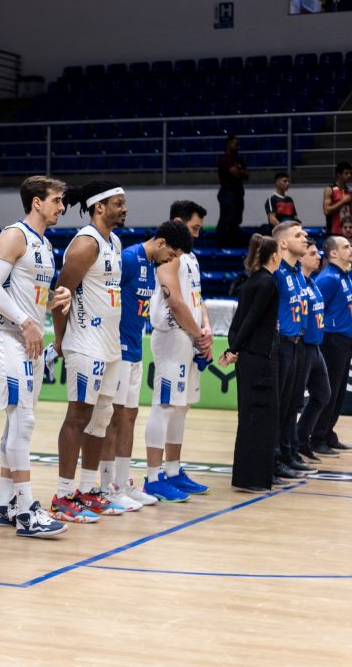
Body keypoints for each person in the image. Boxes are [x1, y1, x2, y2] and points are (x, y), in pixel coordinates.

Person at [0, 176, 72, 537]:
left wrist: (52, 301)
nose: (61, 207)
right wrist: (26, 322)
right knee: (23, 422)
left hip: (28, 340)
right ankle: (27, 510)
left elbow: (24, 297)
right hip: (8, 338)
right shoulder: (14, 236)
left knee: (16, 425)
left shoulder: (44, 244)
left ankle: (3, 503)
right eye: (57, 200)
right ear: (37, 202)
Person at [99, 220, 192, 509]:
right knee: (113, 418)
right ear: (161, 243)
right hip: (117, 349)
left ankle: (122, 481)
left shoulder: (151, 266)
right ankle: (106, 486)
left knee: (129, 416)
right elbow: (104, 296)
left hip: (135, 348)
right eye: (172, 254)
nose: (171, 261)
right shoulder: (128, 258)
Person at [50, 181, 128, 524]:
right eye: (118, 203)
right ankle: (63, 496)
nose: (125, 209)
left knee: (102, 417)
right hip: (85, 343)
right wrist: (60, 339)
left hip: (109, 344)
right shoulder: (85, 243)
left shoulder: (114, 242)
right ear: (100, 207)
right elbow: (60, 295)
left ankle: (86, 490)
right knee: (79, 415)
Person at [143, 201, 213, 501]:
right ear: (178, 222)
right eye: (194, 227)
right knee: (165, 405)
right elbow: (175, 301)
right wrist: (197, 334)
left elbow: (196, 297)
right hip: (172, 335)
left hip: (189, 336)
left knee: (181, 407)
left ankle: (173, 471)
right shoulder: (169, 256)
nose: (196, 234)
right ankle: (152, 477)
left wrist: (206, 328)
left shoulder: (189, 255)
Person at [221, 236, 281, 492]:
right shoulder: (267, 283)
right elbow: (250, 321)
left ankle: (246, 476)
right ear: (274, 256)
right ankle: (254, 478)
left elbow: (237, 324)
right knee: (261, 419)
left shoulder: (250, 282)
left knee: (249, 417)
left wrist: (234, 347)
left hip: (248, 359)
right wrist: (232, 349)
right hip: (260, 360)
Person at [270, 221, 317, 481]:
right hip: (283, 344)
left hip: (299, 343)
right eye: (298, 235)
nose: (305, 238)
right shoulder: (276, 272)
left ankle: (288, 454)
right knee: (279, 407)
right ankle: (275, 459)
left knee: (291, 406)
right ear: (283, 243)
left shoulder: (298, 272)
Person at [310, 235, 352, 454]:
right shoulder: (328, 278)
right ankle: (317, 437)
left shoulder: (344, 276)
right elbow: (317, 309)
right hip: (331, 340)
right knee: (328, 391)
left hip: (344, 340)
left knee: (338, 391)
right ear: (333, 253)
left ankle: (328, 433)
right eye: (346, 247)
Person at [294, 242, 332, 465]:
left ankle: (301, 438)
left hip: (316, 347)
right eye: (312, 253)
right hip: (303, 347)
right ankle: (290, 447)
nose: (318, 257)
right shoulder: (297, 282)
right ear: (301, 258)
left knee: (323, 394)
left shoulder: (312, 282)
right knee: (295, 401)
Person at [216, 135, 248, 247]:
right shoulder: (224, 158)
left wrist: (240, 173)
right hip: (227, 193)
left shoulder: (239, 159)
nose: (238, 147)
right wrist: (240, 172)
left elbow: (246, 174)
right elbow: (234, 173)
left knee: (236, 219)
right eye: (236, 144)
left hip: (238, 193)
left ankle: (234, 244)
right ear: (229, 145)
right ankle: (221, 246)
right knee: (226, 219)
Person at [323, 161, 352, 236]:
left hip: (347, 232)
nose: (349, 175)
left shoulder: (350, 192)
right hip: (333, 231)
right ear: (339, 174)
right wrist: (343, 201)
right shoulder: (330, 190)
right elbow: (326, 211)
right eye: (346, 173)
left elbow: (351, 214)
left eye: (350, 173)